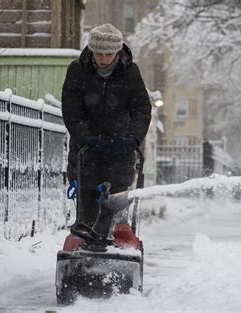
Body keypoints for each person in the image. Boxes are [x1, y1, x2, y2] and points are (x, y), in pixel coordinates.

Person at [61, 23, 151, 240]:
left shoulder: (130, 72)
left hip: (120, 151)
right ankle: (85, 244)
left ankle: (116, 241)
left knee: (117, 204)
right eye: (99, 53)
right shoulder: (77, 70)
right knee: (87, 211)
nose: (103, 58)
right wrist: (86, 138)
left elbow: (141, 109)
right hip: (86, 152)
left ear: (117, 51)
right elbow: (71, 110)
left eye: (109, 54)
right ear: (92, 50)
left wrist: (132, 139)